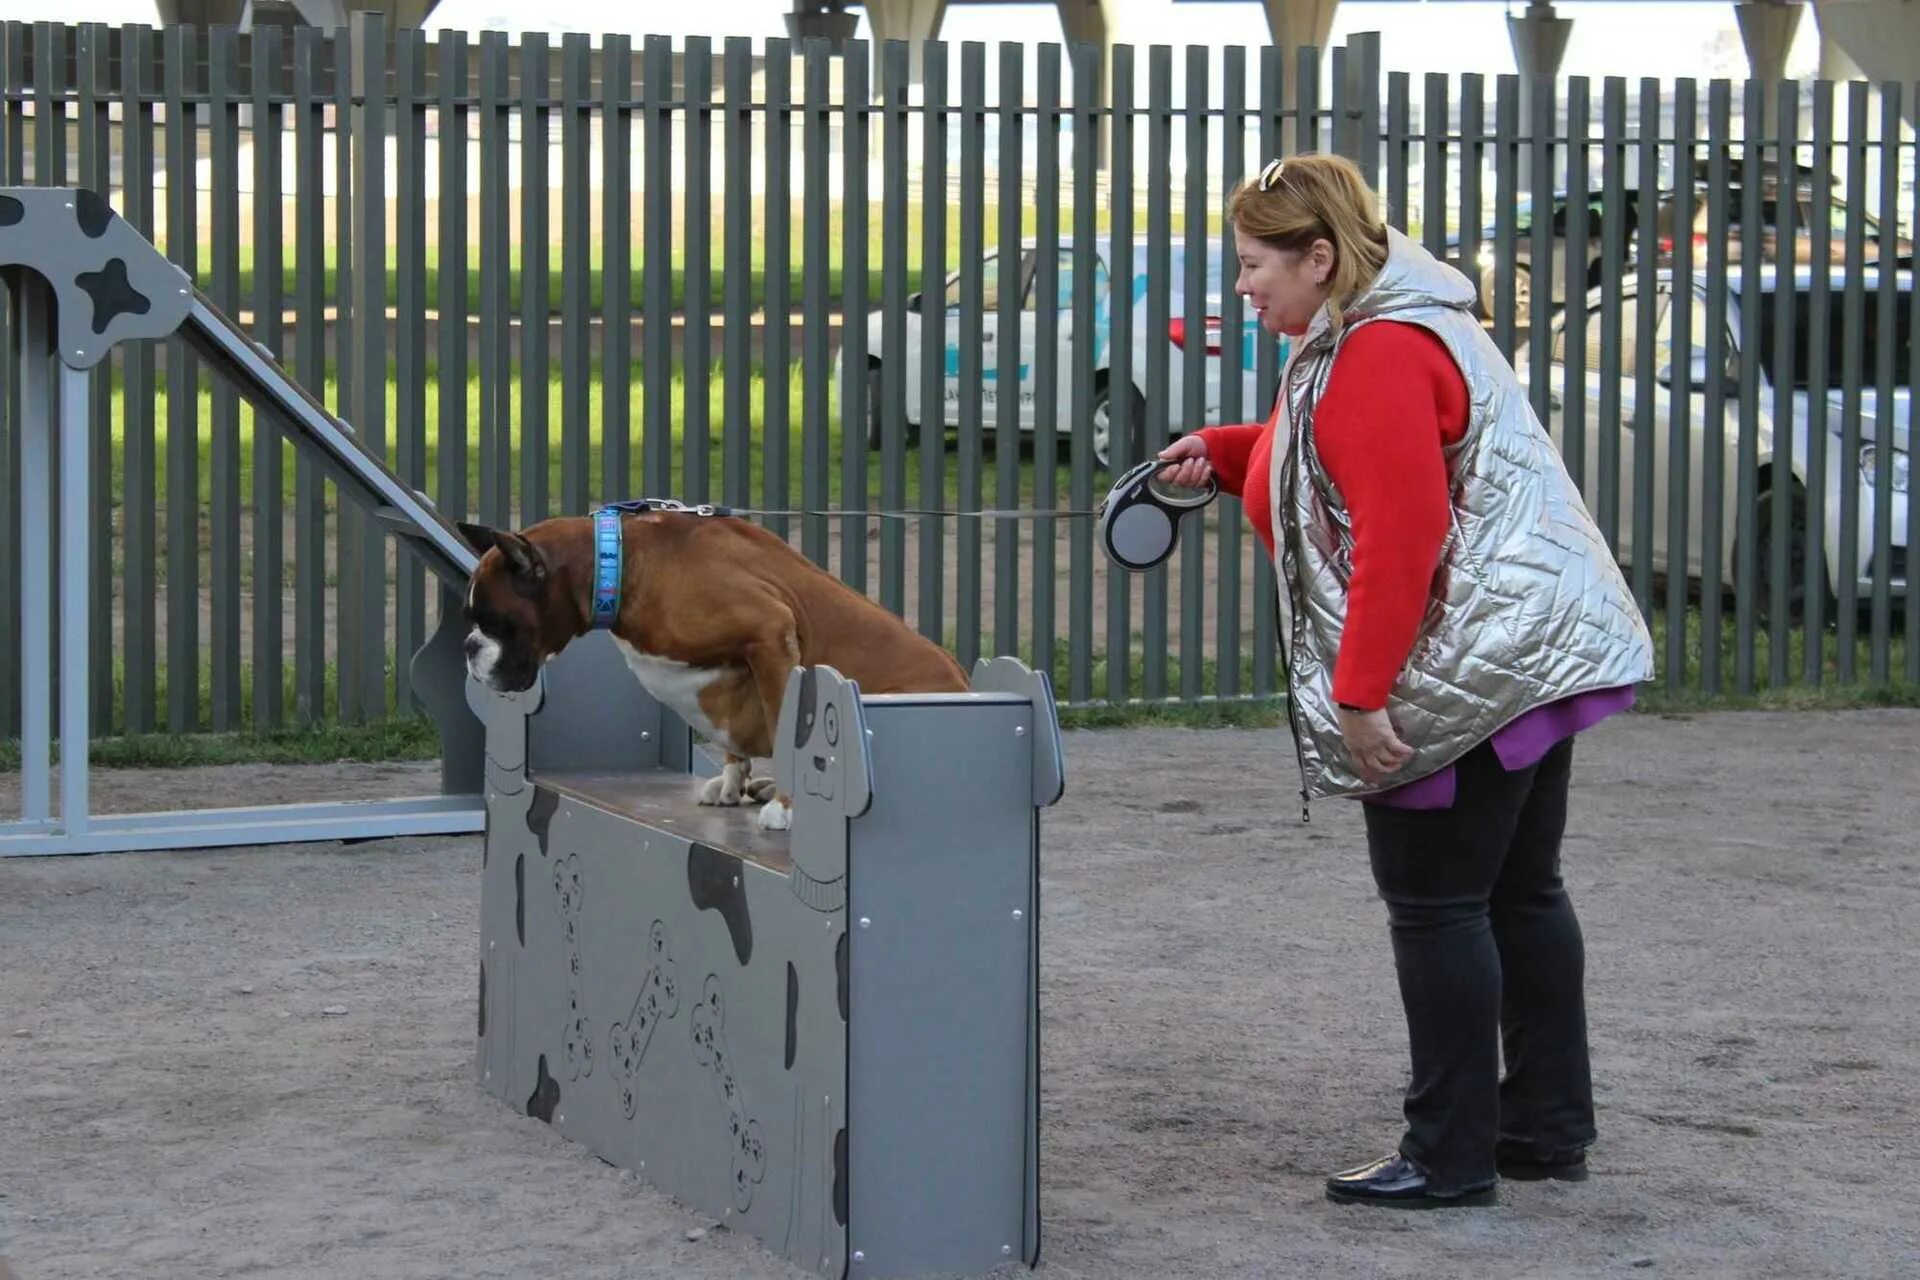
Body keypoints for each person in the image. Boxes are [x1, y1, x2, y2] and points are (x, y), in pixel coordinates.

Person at [1157, 152, 1654, 1209]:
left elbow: (1403, 530)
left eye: (1253, 265)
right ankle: (1544, 1127)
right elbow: (1340, 457)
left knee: (1437, 907)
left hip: (1467, 670)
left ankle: (1449, 1152)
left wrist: (1360, 692)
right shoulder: (1391, 324)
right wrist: (1229, 449)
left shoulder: (1375, 351)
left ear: (1320, 257)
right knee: (1522, 891)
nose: (1242, 286)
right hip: (1535, 651)